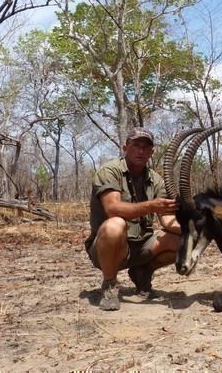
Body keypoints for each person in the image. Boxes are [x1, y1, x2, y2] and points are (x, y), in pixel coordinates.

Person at [84, 127, 181, 311]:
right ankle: (110, 285)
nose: (141, 151)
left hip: (142, 245)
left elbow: (167, 220)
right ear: (125, 148)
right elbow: (112, 209)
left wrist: (197, 231)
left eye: (146, 147)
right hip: (110, 249)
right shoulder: (109, 170)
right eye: (136, 145)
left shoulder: (157, 180)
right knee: (115, 225)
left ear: (152, 152)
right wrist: (151, 205)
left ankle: (143, 272)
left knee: (186, 240)